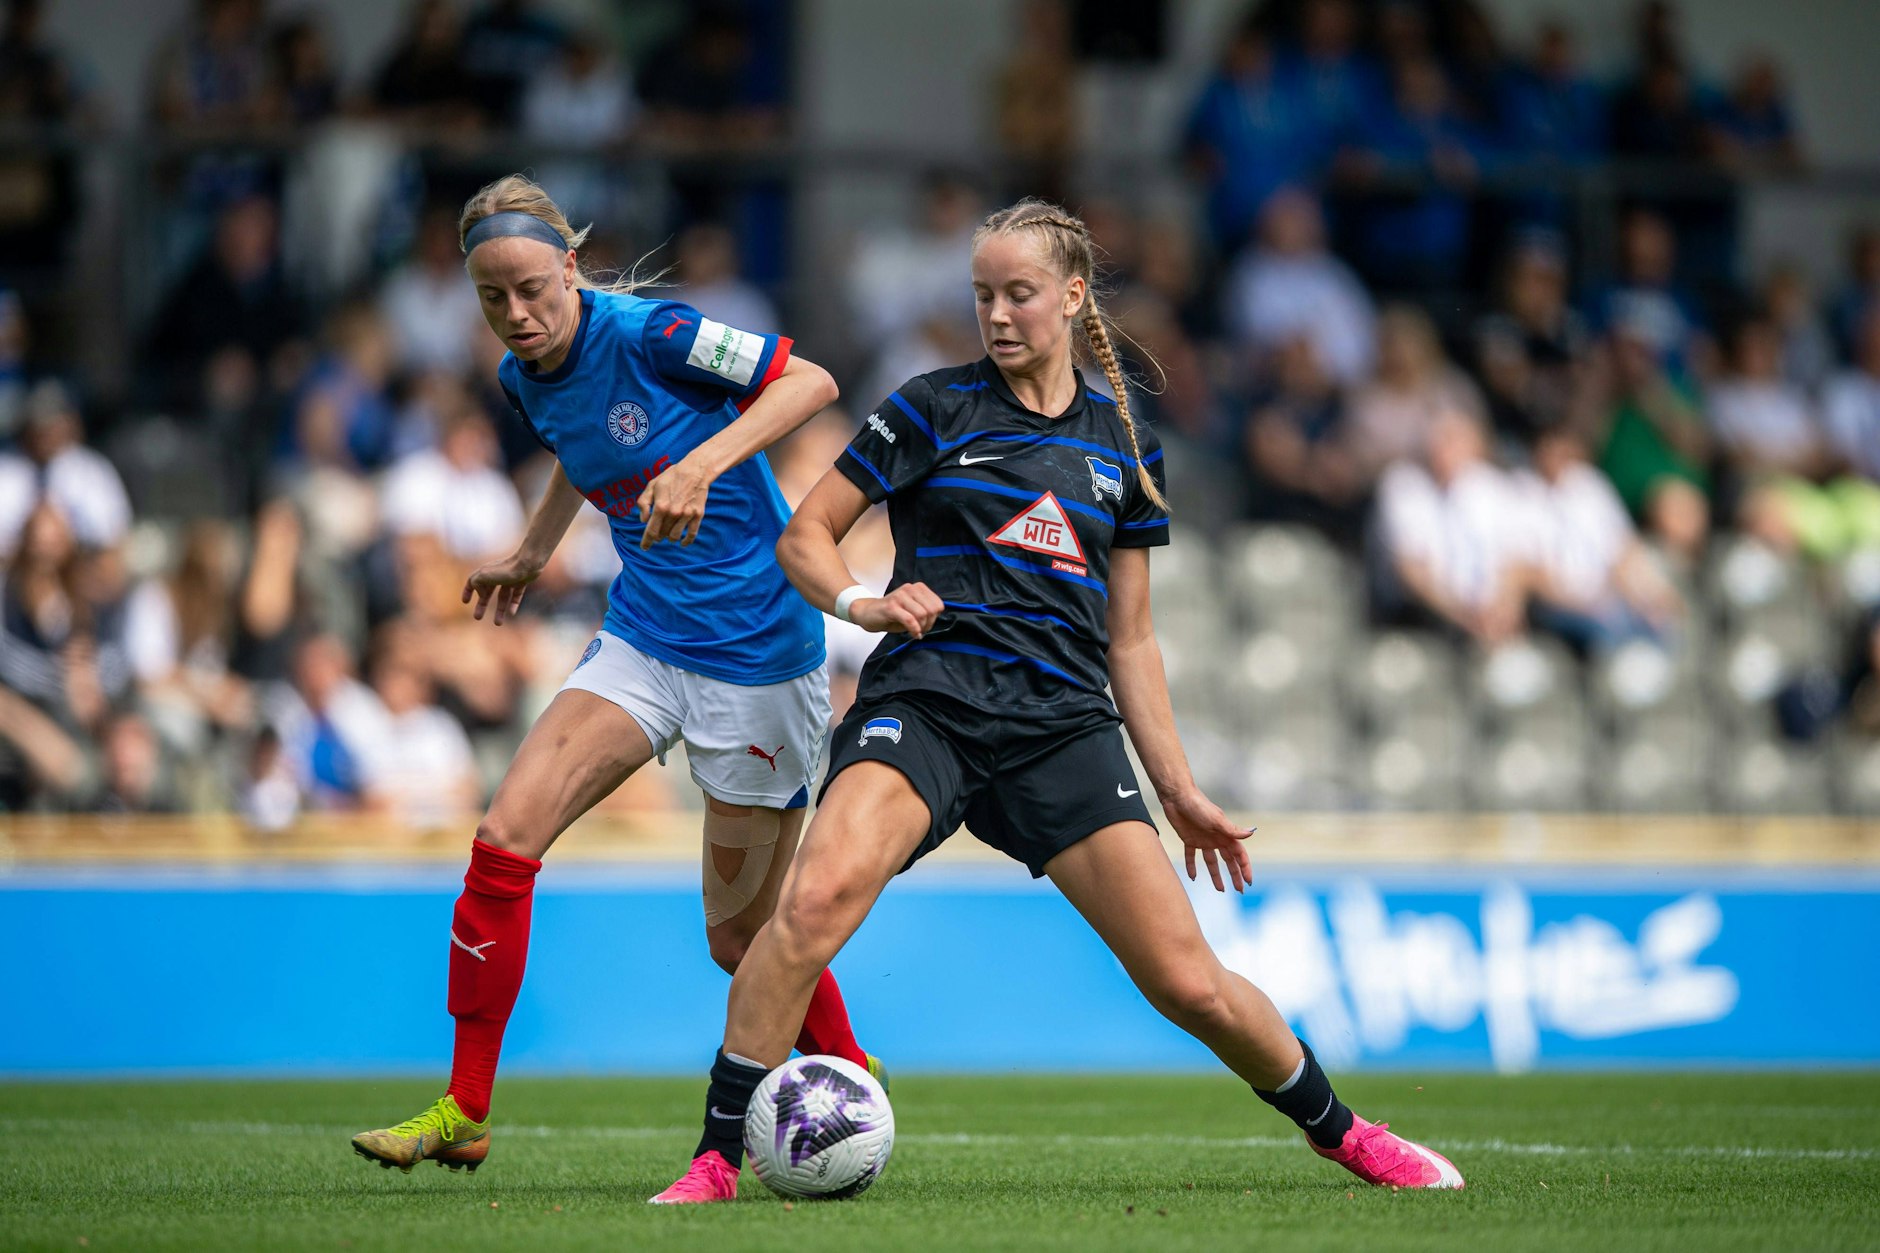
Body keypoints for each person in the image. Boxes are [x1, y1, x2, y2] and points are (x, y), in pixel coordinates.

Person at [650, 199, 1465, 1203]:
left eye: (1017, 293)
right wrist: (863, 601)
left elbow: (1130, 639)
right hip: (928, 702)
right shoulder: (926, 407)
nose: (995, 313)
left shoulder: (1125, 451)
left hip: (1058, 729)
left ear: (1073, 297)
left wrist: (1178, 789)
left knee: (1187, 981)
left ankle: (1347, 1134)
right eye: (982, 294)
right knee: (810, 903)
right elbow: (803, 536)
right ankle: (716, 1160)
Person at [349, 175, 879, 1174]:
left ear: (570, 269)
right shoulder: (520, 377)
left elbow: (808, 383)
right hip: (643, 635)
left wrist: (703, 463)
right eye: (492, 299)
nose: (516, 314)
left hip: (757, 653)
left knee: (740, 943)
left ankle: (848, 1070)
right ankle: (465, 1106)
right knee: (502, 841)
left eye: (531, 289)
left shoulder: (655, 333)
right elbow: (577, 447)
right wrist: (533, 547)